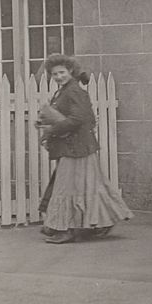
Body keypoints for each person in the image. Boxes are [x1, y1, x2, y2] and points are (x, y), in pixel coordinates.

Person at [37, 54, 132, 243]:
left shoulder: (74, 91)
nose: (58, 77)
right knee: (87, 185)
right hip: (75, 147)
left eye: (62, 72)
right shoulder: (64, 91)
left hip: (77, 148)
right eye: (55, 74)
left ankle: (66, 229)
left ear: (71, 71)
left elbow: (80, 119)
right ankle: (101, 223)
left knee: (68, 187)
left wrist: (53, 128)